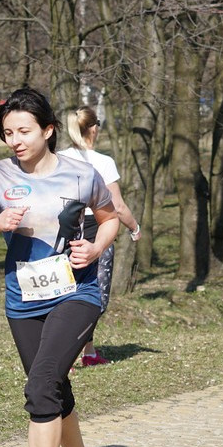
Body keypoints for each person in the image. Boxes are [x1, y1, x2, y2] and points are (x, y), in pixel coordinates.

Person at [0, 88, 119, 447]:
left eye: (24, 131)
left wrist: (95, 248)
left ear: (48, 130)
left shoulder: (81, 173)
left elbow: (109, 217)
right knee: (52, 387)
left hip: (77, 293)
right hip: (23, 300)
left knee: (40, 387)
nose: (15, 140)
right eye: (8, 132)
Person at [56, 106, 141, 367]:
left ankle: (89, 352)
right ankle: (67, 355)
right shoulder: (103, 162)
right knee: (95, 299)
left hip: (63, 232)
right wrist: (134, 228)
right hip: (96, 231)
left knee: (65, 292)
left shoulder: (57, 158)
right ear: (93, 128)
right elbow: (117, 206)